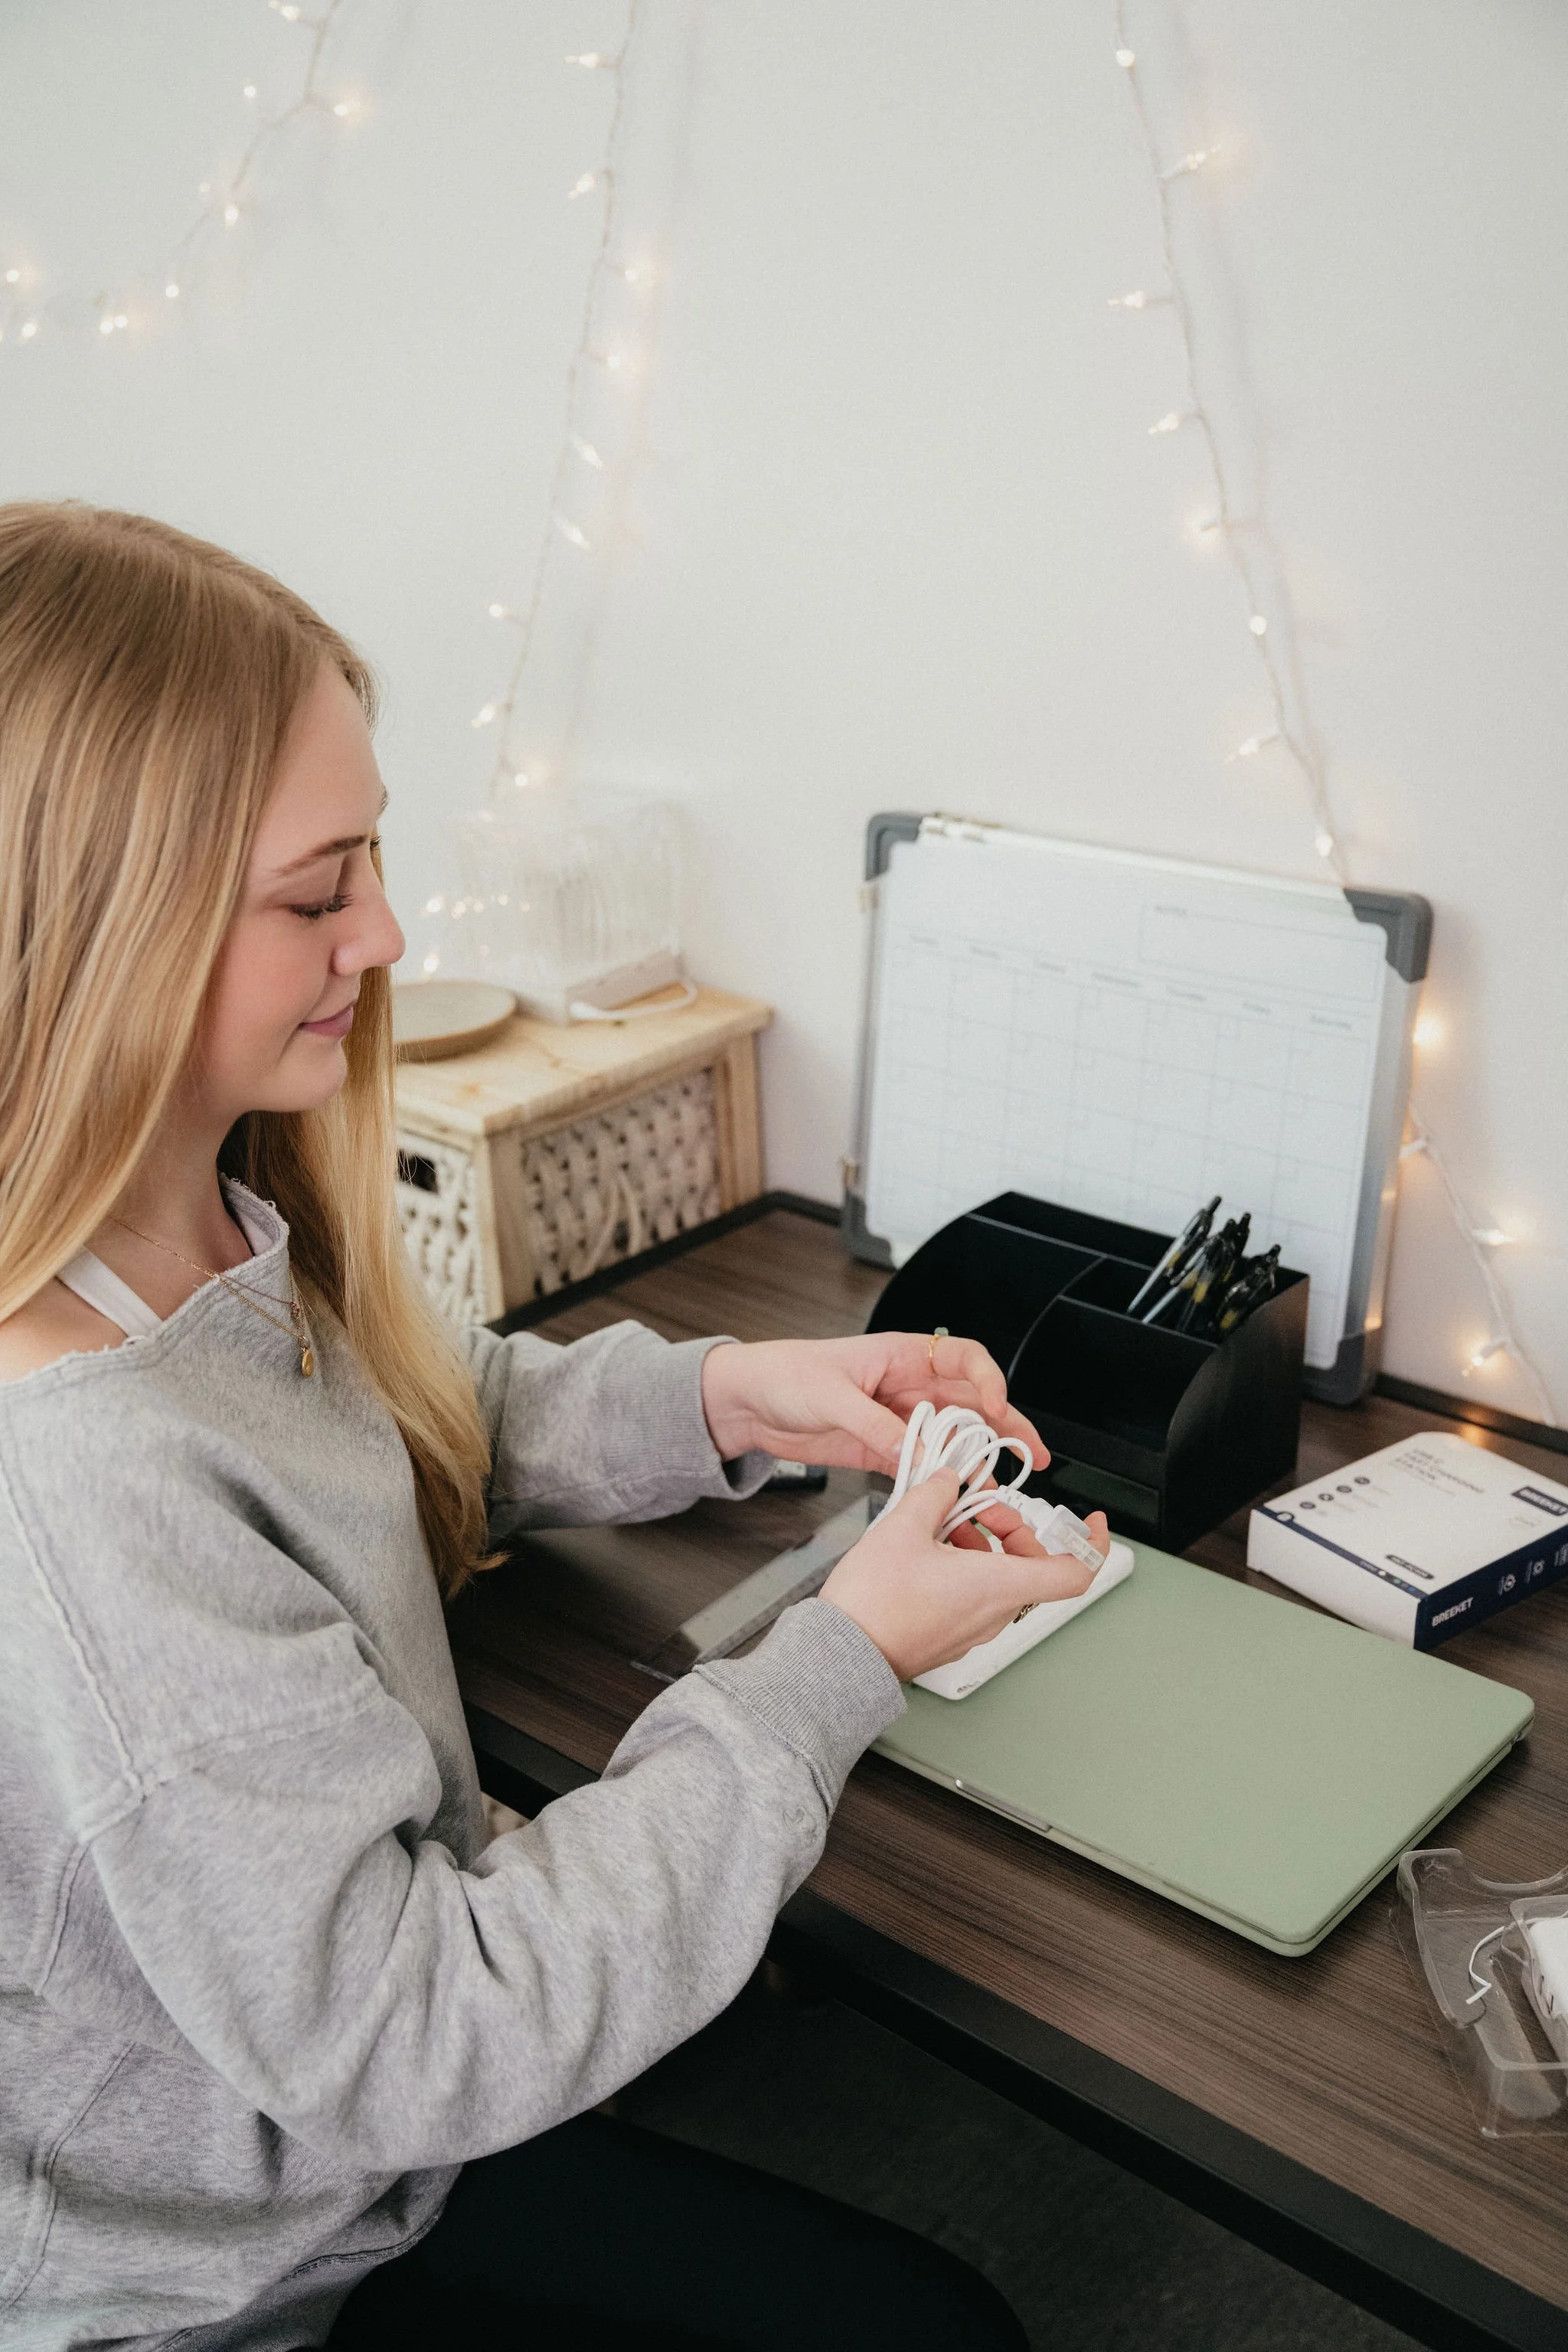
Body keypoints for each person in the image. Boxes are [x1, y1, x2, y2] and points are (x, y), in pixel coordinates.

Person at [0, 504, 1105, 2351]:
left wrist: (732, 1396)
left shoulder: (180, 1207)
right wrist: (835, 1659)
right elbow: (424, 2033)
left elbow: (393, 1416)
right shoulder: (85, 1480)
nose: (389, 931)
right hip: (239, 2285)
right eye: (316, 891)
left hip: (354, 2113)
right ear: (99, 931)